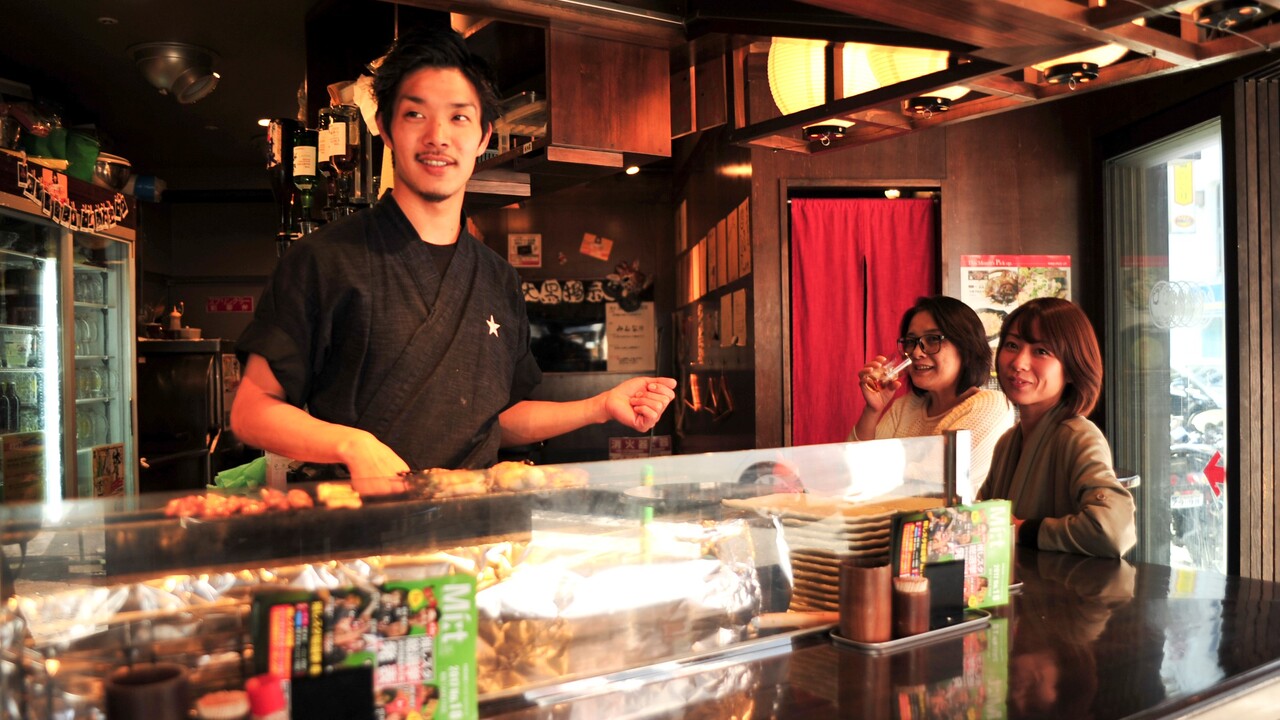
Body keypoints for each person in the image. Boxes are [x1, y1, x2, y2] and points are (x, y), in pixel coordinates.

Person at [230, 26, 675, 491]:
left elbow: (495, 420)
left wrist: (600, 406)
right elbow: (252, 410)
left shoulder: (496, 276)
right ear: (386, 128)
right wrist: (350, 445)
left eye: (459, 118)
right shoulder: (321, 260)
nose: (437, 136)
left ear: (484, 136)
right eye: (415, 114)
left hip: (473, 535)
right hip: (359, 541)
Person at [978, 298, 1136, 558]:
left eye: (1041, 351)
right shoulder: (1009, 441)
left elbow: (1113, 530)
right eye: (1012, 345)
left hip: (1064, 596)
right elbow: (985, 514)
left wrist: (1022, 530)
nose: (1019, 362)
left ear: (1073, 369)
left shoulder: (1078, 436)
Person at [849, 295, 1015, 490]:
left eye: (932, 339)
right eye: (911, 341)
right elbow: (852, 470)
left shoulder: (991, 404)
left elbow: (934, 477)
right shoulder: (905, 406)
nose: (917, 353)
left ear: (966, 346)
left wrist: (870, 470)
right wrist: (872, 410)